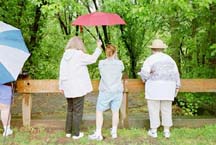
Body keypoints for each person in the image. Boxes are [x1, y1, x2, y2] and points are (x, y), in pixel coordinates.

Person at [59, 36, 102, 139]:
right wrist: (98, 47)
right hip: (78, 87)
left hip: (67, 87)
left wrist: (61, 86)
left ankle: (68, 132)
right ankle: (76, 134)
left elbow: (61, 71)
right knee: (78, 110)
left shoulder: (65, 55)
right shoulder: (79, 55)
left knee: (70, 109)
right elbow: (92, 59)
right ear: (79, 45)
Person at [138, 39, 180, 138]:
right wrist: (177, 86)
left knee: (154, 109)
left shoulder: (150, 59)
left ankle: (154, 131)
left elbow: (144, 74)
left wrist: (144, 78)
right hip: (169, 87)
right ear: (163, 49)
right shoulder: (170, 60)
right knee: (166, 109)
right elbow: (176, 74)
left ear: (152, 49)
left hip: (154, 88)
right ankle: (166, 131)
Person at [88, 44, 124, 141]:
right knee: (115, 111)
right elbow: (121, 70)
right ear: (115, 52)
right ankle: (114, 132)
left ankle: (98, 133)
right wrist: (115, 57)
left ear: (106, 53)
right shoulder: (120, 63)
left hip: (105, 90)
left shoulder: (101, 63)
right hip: (117, 91)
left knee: (99, 111)